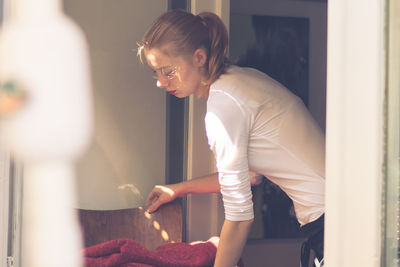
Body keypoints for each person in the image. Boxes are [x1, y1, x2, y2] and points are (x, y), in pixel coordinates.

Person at [138, 9, 325, 267]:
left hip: (331, 220)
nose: (160, 82)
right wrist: (178, 189)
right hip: (339, 209)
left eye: (167, 71)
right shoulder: (240, 79)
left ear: (199, 57)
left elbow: (239, 217)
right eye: (155, 72)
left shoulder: (224, 105)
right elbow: (248, 176)